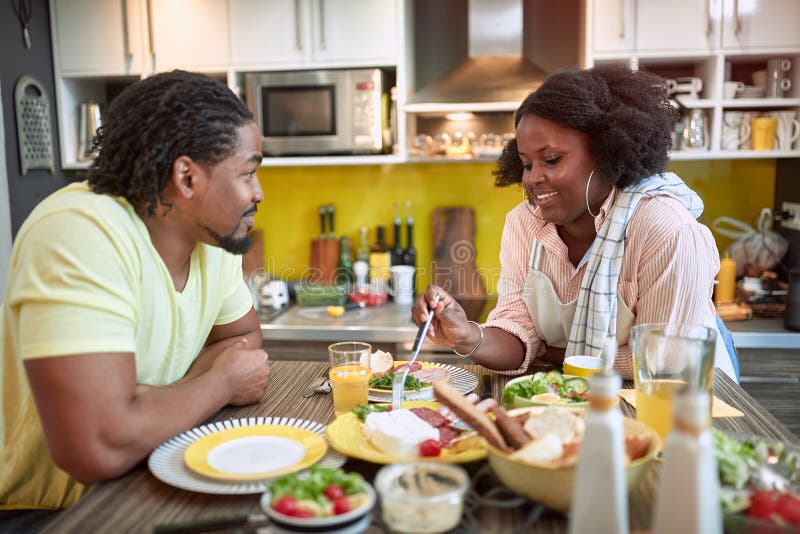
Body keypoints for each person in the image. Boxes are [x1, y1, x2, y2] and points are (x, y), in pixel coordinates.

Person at [0, 70, 271, 516]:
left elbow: (241, 342)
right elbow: (96, 446)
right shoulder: (80, 231)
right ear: (187, 178)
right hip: (48, 511)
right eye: (249, 173)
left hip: (147, 477)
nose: (258, 193)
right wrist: (218, 384)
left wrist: (146, 403)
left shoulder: (213, 240)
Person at [413, 64, 737, 381]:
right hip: (587, 397)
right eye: (526, 164)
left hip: (687, 400)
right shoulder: (524, 225)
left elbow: (663, 357)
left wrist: (556, 355)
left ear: (605, 150)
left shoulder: (662, 227)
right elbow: (517, 331)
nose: (533, 179)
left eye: (552, 159)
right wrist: (468, 336)